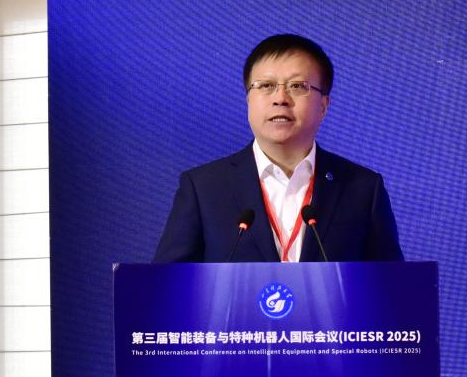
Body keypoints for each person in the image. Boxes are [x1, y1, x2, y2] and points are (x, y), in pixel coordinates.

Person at [153, 33, 403, 263]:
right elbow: (167, 285)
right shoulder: (203, 187)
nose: (280, 98)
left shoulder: (362, 189)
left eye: (297, 86)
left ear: (323, 105)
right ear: (249, 100)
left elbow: (390, 287)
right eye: (266, 86)